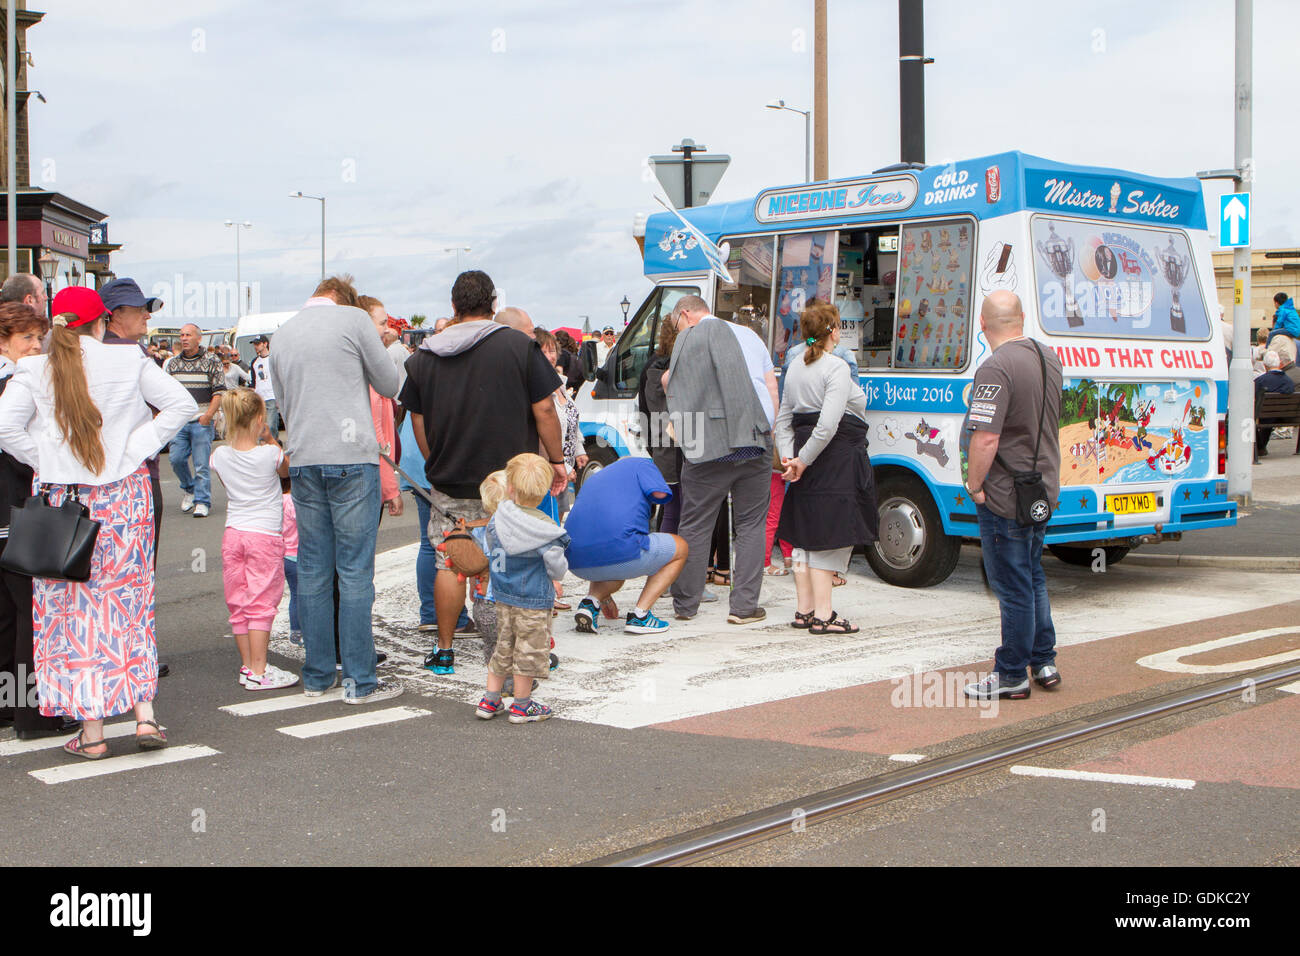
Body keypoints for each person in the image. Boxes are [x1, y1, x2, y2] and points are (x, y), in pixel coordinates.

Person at [0, 286, 196, 757]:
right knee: (130, 603)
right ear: (101, 321)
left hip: (66, 502)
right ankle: (145, 718)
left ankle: (92, 734)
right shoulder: (129, 361)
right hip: (125, 497)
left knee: (75, 615)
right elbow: (182, 407)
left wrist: (48, 461)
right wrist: (131, 450)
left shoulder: (33, 369)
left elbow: (5, 429)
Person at [399, 270, 566, 676]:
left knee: (450, 560)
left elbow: (416, 416)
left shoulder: (424, 355)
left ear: (454, 307)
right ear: (493, 305)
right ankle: (517, 650)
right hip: (509, 480)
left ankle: (444, 649)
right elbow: (544, 408)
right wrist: (557, 461)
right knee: (511, 558)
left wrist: (434, 455)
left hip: (449, 474)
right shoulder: (517, 347)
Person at [270, 274, 403, 704]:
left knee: (312, 569)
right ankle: (360, 680)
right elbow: (389, 384)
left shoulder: (282, 334)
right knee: (354, 571)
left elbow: (283, 403)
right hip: (352, 458)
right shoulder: (353, 320)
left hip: (305, 458)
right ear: (345, 300)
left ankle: (317, 675)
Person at [961, 290, 1063, 701]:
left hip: (1005, 493)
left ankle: (1011, 673)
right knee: (1033, 574)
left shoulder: (995, 367)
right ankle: (1044, 659)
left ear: (982, 325)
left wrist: (974, 485)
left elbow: (986, 439)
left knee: (1012, 582)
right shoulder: (1047, 356)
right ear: (1021, 318)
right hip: (1041, 488)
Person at [664, 294, 778, 624]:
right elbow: (772, 392)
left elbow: (676, 391)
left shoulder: (688, 338)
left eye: (676, 325)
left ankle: (686, 605)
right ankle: (743, 607)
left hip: (708, 446)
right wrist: (763, 434)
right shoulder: (750, 335)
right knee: (751, 524)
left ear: (685, 315)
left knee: (696, 523)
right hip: (755, 442)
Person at [774, 301, 876, 633]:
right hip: (834, 457)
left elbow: (784, 420)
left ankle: (804, 610)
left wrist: (791, 459)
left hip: (806, 457)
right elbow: (828, 425)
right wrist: (801, 461)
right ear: (833, 330)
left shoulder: (795, 367)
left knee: (805, 534)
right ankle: (824, 614)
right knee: (829, 535)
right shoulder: (836, 368)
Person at [0, 301, 72, 739]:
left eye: (37, 336)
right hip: (12, 498)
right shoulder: (16, 378)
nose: (34, 345)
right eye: (25, 337)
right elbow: (8, 432)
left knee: (7, 610)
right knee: (29, 606)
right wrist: (43, 462)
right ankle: (32, 713)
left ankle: (9, 706)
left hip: (8, 499)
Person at [100, 278, 173, 678]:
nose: (147, 314)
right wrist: (142, 446)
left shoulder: (101, 352)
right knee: (137, 570)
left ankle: (118, 652)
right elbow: (176, 406)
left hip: (103, 479)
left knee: (109, 573)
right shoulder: (130, 356)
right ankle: (135, 654)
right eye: (138, 308)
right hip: (134, 479)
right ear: (114, 315)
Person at [211, 388, 297, 690]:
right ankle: (260, 671)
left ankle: (248, 666)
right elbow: (286, 471)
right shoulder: (269, 454)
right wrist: (272, 439)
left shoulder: (219, 455)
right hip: (264, 535)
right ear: (260, 418)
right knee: (262, 602)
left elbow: (227, 485)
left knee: (239, 601)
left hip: (234, 533)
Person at [473, 454, 569, 723]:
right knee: (527, 651)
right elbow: (556, 567)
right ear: (545, 490)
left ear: (511, 487)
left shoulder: (498, 517)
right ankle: (522, 705)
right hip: (533, 599)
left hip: (503, 595)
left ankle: (490, 700)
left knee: (504, 646)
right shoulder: (545, 528)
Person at [566, 456, 688, 635]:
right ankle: (641, 615)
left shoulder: (598, 477)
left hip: (575, 560)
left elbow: (599, 536)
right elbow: (660, 494)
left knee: (613, 560)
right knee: (681, 547)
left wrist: (606, 598)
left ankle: (590, 603)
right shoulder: (643, 464)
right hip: (621, 551)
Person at [164, 323, 226, 518]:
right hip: (180, 421)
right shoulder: (173, 364)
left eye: (188, 335)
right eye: (181, 335)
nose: (184, 338)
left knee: (201, 465)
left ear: (198, 338)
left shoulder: (212, 360)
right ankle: (189, 489)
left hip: (201, 419)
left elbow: (219, 391)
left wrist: (208, 415)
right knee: (176, 459)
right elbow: (166, 392)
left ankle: (202, 501)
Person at [1254, 350, 1296, 457]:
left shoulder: (1260, 381)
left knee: (1257, 416)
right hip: (1286, 416)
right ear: (1279, 364)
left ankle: (1260, 447)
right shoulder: (1289, 382)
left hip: (1265, 416)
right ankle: (1261, 447)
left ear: (1265, 365)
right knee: (1268, 416)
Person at [249, 336, 279, 435]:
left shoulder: (273, 359)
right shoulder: (254, 362)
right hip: (259, 397)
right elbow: (254, 381)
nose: (255, 347)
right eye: (254, 345)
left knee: (271, 425)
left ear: (265, 344)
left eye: (258, 344)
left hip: (271, 395)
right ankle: (263, 444)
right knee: (259, 425)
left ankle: (273, 442)